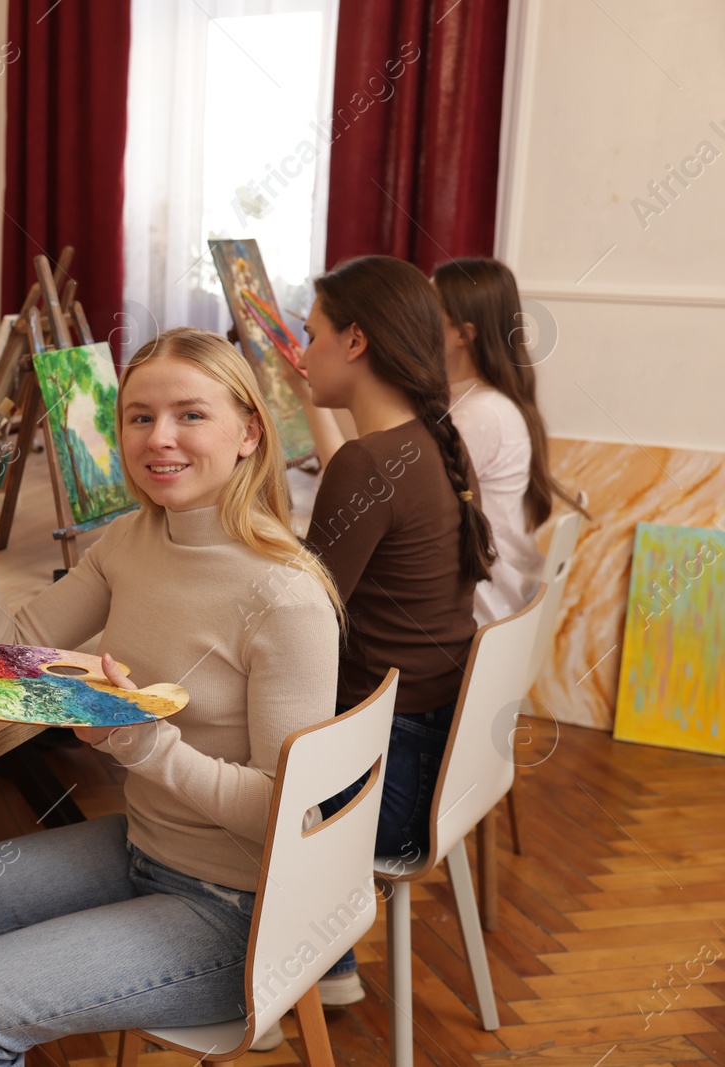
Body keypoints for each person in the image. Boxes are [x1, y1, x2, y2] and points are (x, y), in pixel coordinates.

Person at [0, 328, 344, 1065]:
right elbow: (14, 661)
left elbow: (289, 817)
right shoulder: (130, 539)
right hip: (145, 847)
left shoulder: (288, 598)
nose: (161, 438)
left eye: (190, 414)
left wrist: (149, 746)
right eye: (140, 416)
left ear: (250, 431)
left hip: (242, 914)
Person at [284, 255, 495, 1005]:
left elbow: (300, 622)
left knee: (225, 767)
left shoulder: (367, 463)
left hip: (386, 786)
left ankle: (282, 982)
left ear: (355, 342)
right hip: (435, 766)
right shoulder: (425, 442)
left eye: (311, 335)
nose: (300, 352)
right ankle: (329, 961)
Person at [434, 257, 583, 625]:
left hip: (479, 619)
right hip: (501, 610)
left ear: (463, 334)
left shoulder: (480, 415)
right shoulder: (480, 403)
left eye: (428, 309)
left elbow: (403, 509)